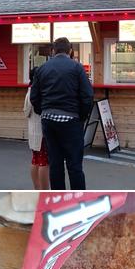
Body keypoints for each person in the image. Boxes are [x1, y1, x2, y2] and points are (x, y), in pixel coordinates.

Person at [30, 37, 93, 190]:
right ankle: (78, 199)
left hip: (49, 120)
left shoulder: (42, 68)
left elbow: (34, 97)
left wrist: (43, 111)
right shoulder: (77, 68)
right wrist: (81, 117)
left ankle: (58, 198)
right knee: (74, 165)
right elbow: (87, 96)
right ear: (70, 50)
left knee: (55, 164)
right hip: (71, 120)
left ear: (53, 50)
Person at [23, 67, 49, 189]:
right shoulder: (39, 91)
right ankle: (44, 190)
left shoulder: (29, 90)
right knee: (44, 162)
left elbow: (26, 111)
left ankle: (36, 187)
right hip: (41, 131)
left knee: (35, 160)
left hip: (32, 130)